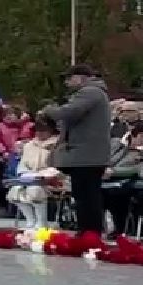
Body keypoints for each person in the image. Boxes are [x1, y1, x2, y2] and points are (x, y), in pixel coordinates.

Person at [40, 64, 113, 235]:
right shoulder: (96, 93)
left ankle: (90, 232)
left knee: (87, 196)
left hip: (86, 155)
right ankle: (88, 230)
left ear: (81, 77)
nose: (67, 82)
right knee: (85, 195)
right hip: (88, 155)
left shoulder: (90, 92)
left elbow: (68, 113)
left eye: (69, 78)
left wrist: (49, 110)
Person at [7, 116, 61, 227]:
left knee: (35, 190)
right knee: (15, 191)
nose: (40, 133)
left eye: (44, 130)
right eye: (38, 130)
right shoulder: (29, 146)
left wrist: (43, 175)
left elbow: (59, 167)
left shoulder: (58, 144)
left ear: (51, 130)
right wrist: (27, 174)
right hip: (30, 178)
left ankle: (42, 222)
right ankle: (31, 220)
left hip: (52, 180)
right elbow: (22, 166)